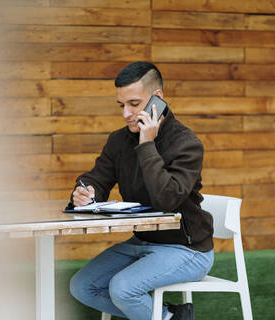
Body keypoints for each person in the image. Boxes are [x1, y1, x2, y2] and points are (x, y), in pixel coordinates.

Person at [68, 61, 214, 320]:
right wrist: (85, 191)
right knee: (82, 286)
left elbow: (167, 199)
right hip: (142, 241)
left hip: (187, 250)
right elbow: (96, 179)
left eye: (134, 104)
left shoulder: (186, 144)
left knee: (123, 289)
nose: (126, 114)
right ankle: (171, 317)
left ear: (156, 100)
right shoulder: (119, 140)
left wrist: (147, 144)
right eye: (121, 105)